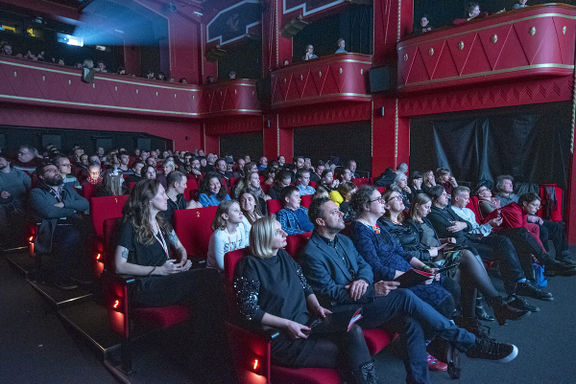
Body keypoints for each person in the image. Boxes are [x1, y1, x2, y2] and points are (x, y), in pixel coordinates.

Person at [301, 197, 519, 384]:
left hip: (366, 299)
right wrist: (369, 290)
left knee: (412, 325)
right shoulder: (312, 252)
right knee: (405, 296)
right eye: (333, 211)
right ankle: (468, 342)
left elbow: (364, 266)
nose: (341, 213)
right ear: (320, 221)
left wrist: (363, 280)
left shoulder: (344, 241)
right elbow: (329, 294)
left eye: (338, 209)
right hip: (345, 311)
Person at [234, 216, 379, 383]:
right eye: (277, 232)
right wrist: (287, 324)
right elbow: (249, 311)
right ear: (264, 237)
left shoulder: (283, 256)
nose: (284, 233)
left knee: (354, 330)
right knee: (347, 353)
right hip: (282, 336)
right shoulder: (249, 265)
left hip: (307, 323)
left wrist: (317, 306)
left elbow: (305, 286)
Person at [385, 191, 529, 332]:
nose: (401, 198)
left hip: (435, 253)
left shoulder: (406, 221)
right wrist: (431, 251)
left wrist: (443, 241)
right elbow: (406, 251)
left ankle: (472, 321)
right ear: (386, 205)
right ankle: (497, 305)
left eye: (400, 196)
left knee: (467, 269)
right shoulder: (402, 224)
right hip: (429, 260)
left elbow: (420, 243)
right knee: (466, 252)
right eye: (395, 197)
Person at [427, 185, 555, 313]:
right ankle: (516, 292)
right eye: (444, 194)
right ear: (434, 198)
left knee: (509, 241)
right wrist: (464, 225)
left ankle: (521, 284)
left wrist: (464, 224)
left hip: (473, 238)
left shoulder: (448, 209)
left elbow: (469, 224)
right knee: (508, 248)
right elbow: (453, 229)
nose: (447, 196)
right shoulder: (434, 213)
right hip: (465, 244)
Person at [348, 186, 455, 318]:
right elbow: (375, 267)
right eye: (379, 199)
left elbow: (402, 253)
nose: (383, 202)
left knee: (451, 286)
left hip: (408, 272)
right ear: (366, 206)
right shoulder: (360, 230)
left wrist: (425, 268)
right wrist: (414, 278)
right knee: (446, 302)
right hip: (395, 280)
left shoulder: (378, 225)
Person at [29, 163, 91, 289]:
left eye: (56, 169)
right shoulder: (36, 192)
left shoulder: (67, 188)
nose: (56, 172)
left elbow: (85, 203)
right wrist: (73, 209)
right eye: (50, 170)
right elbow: (49, 212)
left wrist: (64, 204)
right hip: (52, 227)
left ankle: (79, 272)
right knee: (73, 235)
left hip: (72, 222)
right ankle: (60, 277)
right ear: (41, 176)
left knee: (90, 233)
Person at [206, 200, 250, 271]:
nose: (241, 212)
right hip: (216, 272)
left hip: (235, 267)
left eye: (240, 210)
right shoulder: (219, 236)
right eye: (236, 210)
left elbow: (241, 254)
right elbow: (221, 266)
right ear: (226, 216)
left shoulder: (241, 228)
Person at [0, 154, 31, 247]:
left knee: (17, 209)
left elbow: (30, 188)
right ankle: (7, 242)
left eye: (0, 160)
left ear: (8, 161)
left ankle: (19, 241)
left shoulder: (20, 174)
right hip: (3, 203)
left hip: (21, 202)